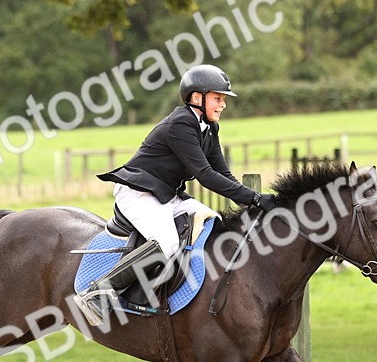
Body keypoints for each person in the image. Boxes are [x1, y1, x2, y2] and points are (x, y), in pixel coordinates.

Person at [75, 64, 278, 322]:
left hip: (166, 194)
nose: (223, 104)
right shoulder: (181, 123)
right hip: (139, 191)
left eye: (224, 99)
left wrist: (253, 201)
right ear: (197, 98)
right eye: (218, 98)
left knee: (210, 219)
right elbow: (205, 175)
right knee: (167, 242)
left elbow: (223, 174)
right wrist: (254, 198)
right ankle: (100, 292)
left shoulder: (209, 128)